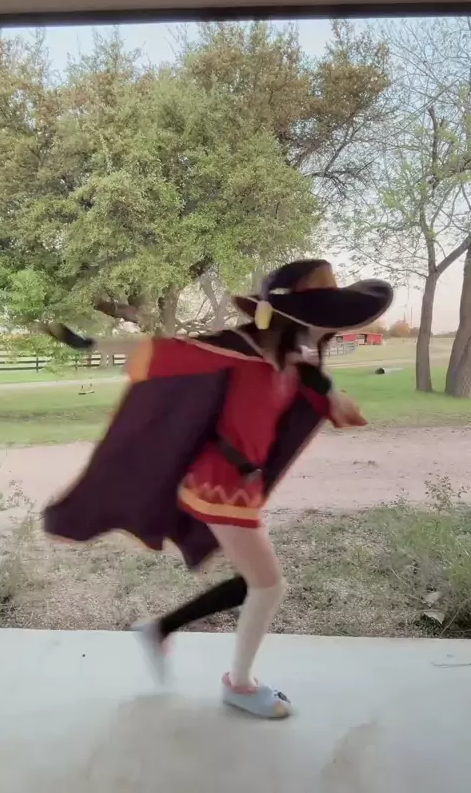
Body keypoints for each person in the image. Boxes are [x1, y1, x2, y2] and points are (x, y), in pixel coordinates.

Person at [42, 259, 392, 719]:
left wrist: (337, 402)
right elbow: (162, 351)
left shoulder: (293, 361)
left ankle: (160, 629)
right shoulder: (239, 348)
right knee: (268, 586)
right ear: (292, 318)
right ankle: (239, 686)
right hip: (218, 486)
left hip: (238, 487)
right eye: (322, 318)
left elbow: (317, 389)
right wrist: (86, 343)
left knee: (254, 580)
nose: (328, 330)